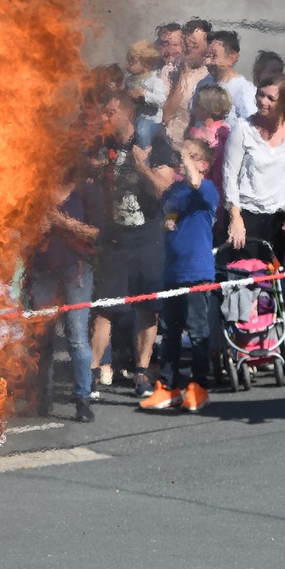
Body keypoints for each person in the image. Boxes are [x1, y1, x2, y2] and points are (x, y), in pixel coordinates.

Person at [89, 90, 177, 400]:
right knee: (104, 307)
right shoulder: (102, 145)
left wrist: (141, 166)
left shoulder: (155, 144)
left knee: (147, 306)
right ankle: (92, 372)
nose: (104, 118)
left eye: (110, 112)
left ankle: (141, 372)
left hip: (147, 236)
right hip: (116, 237)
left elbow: (163, 189)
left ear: (127, 114)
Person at [140, 138, 217, 413]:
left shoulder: (205, 188)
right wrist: (166, 222)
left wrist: (184, 154)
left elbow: (196, 184)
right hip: (172, 271)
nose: (183, 160)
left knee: (197, 331)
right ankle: (167, 386)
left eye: (192, 156)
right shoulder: (174, 191)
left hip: (197, 272)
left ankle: (198, 386)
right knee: (170, 333)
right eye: (183, 155)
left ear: (203, 165)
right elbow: (167, 216)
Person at [25, 171, 101, 423]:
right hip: (42, 270)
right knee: (42, 336)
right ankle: (42, 398)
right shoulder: (37, 191)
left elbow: (96, 232)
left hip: (75, 270)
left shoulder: (84, 192)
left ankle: (82, 399)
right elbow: (25, 230)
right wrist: (39, 227)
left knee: (77, 336)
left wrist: (64, 223)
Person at [223, 71, 285, 264]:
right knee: (245, 280)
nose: (262, 101)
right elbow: (230, 175)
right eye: (261, 94)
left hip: (279, 217)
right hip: (247, 215)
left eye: (271, 98)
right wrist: (235, 219)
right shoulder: (243, 128)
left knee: (272, 281)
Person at [187, 83, 232, 233]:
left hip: (200, 193)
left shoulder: (199, 135)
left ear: (206, 108)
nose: (195, 107)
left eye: (198, 104)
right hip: (220, 195)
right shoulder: (226, 131)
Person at [161, 18, 211, 144]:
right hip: (167, 138)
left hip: (192, 144)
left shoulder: (209, 77)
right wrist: (183, 75)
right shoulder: (171, 70)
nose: (190, 50)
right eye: (187, 45)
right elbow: (166, 115)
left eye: (195, 45)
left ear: (207, 46)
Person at [198, 30, 256, 121]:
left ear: (231, 58)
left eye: (213, 56)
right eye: (206, 55)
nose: (207, 62)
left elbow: (251, 126)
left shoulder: (244, 90)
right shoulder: (203, 83)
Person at [124, 40, 167, 146]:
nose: (129, 64)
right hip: (135, 116)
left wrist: (144, 94)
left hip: (150, 119)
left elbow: (162, 100)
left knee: (142, 129)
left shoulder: (154, 81)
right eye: (128, 60)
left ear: (146, 64)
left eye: (133, 61)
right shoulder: (130, 80)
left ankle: (144, 154)